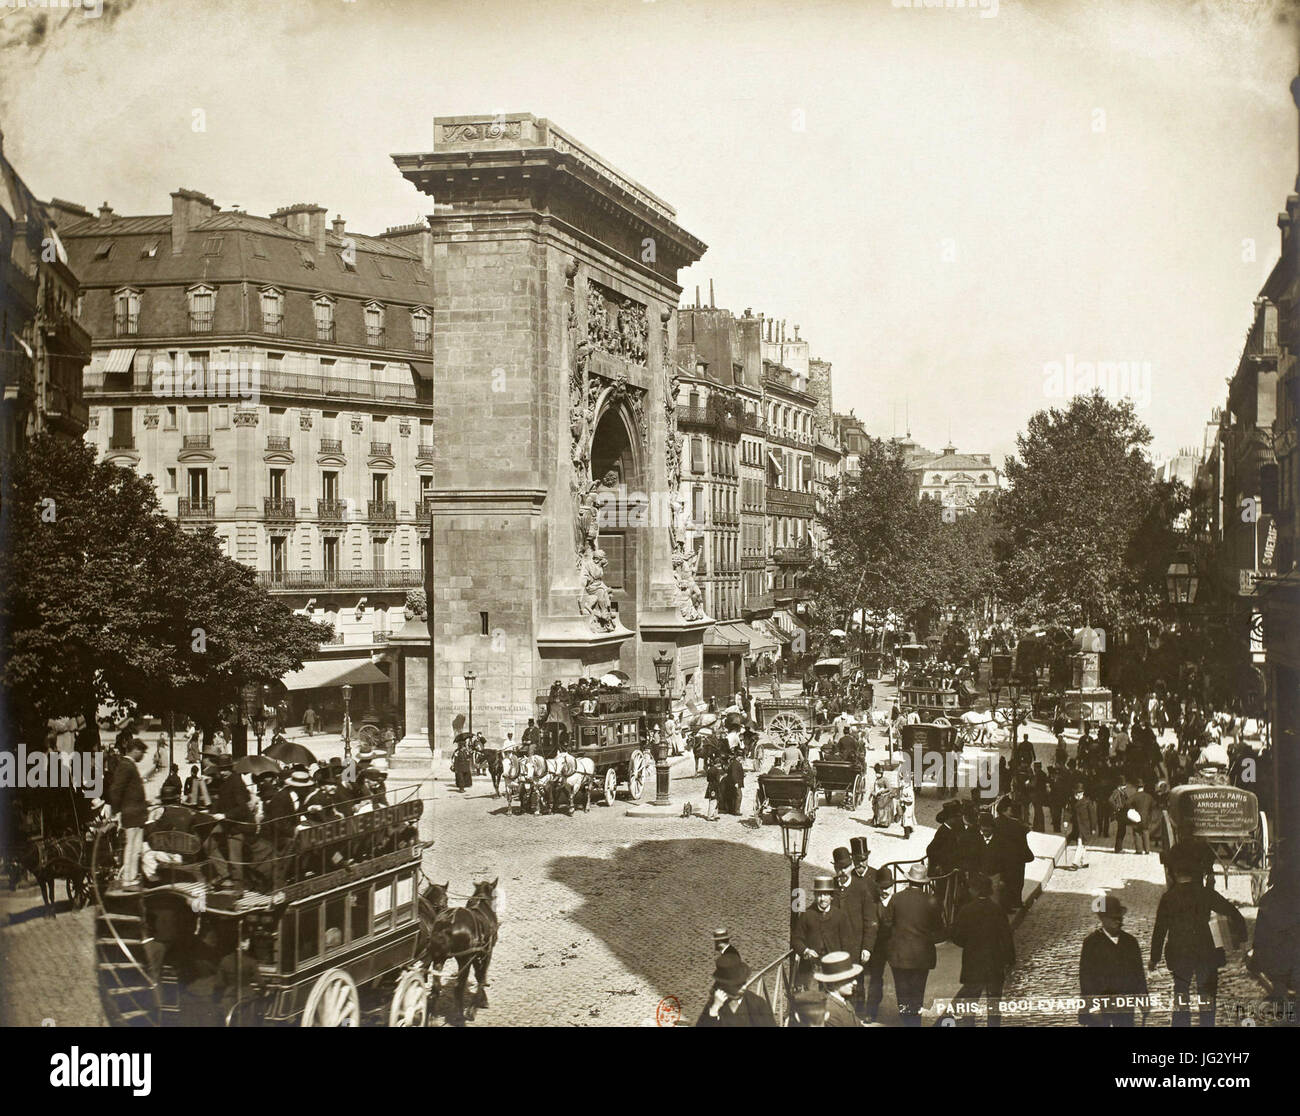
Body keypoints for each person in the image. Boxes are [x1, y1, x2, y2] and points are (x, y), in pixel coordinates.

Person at [1150, 848, 1247, 1027]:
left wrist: (1154, 958)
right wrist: (1242, 936)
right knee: (1207, 994)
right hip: (1205, 951)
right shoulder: (1205, 893)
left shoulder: (1169, 897)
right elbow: (1232, 911)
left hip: (1180, 952)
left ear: (1176, 873)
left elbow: (1160, 929)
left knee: (1181, 992)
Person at [947, 873, 1014, 1027]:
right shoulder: (997, 910)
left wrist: (969, 944)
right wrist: (1010, 960)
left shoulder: (966, 910)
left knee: (971, 1001)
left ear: (974, 890)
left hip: (973, 961)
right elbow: (1006, 937)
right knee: (994, 1002)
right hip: (994, 962)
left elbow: (956, 936)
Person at [883, 862, 943, 1026]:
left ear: (909, 880)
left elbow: (886, 924)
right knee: (917, 994)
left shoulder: (896, 898)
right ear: (924, 882)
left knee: (902, 994)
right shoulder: (932, 901)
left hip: (899, 955)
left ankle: (906, 1022)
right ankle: (914, 1023)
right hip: (921, 957)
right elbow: (939, 930)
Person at [1079, 894, 1147, 1027]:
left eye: (1120, 918)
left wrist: (1143, 999)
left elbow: (1138, 973)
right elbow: (1086, 977)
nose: (1118, 921)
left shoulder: (1130, 942)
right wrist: (1092, 1006)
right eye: (1113, 918)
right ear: (1103, 919)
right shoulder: (1092, 943)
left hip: (1124, 1003)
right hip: (1100, 1002)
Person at [793, 876, 854, 988]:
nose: (822, 899)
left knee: (833, 1000)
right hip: (811, 970)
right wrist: (806, 951)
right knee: (811, 1001)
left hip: (834, 969)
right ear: (815, 896)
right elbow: (796, 939)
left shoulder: (840, 916)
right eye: (819, 895)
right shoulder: (807, 915)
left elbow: (847, 944)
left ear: (831, 897)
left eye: (826, 895)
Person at [696, 947, 776, 1027]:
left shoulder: (757, 1004)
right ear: (724, 985)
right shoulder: (714, 1003)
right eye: (737, 985)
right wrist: (715, 1009)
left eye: (744, 983)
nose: (744, 987)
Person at [107, 738, 148, 888]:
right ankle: (128, 879)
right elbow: (116, 790)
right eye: (142, 751)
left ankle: (131, 877)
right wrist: (116, 812)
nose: (142, 755)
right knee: (131, 846)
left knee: (135, 846)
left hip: (135, 814)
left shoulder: (128, 765)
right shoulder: (126, 765)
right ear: (135, 750)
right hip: (131, 814)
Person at [990, 797, 1034, 912]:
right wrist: (1027, 855)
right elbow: (1023, 840)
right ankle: (1016, 902)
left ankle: (1005, 904)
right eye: (1010, 809)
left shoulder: (994, 823)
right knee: (1016, 882)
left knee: (1004, 882)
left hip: (1000, 858)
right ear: (1006, 809)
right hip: (1015, 859)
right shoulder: (1016, 824)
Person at [813, 952, 863, 1027]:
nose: (855, 982)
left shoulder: (844, 1002)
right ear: (834, 983)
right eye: (849, 979)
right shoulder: (830, 1010)